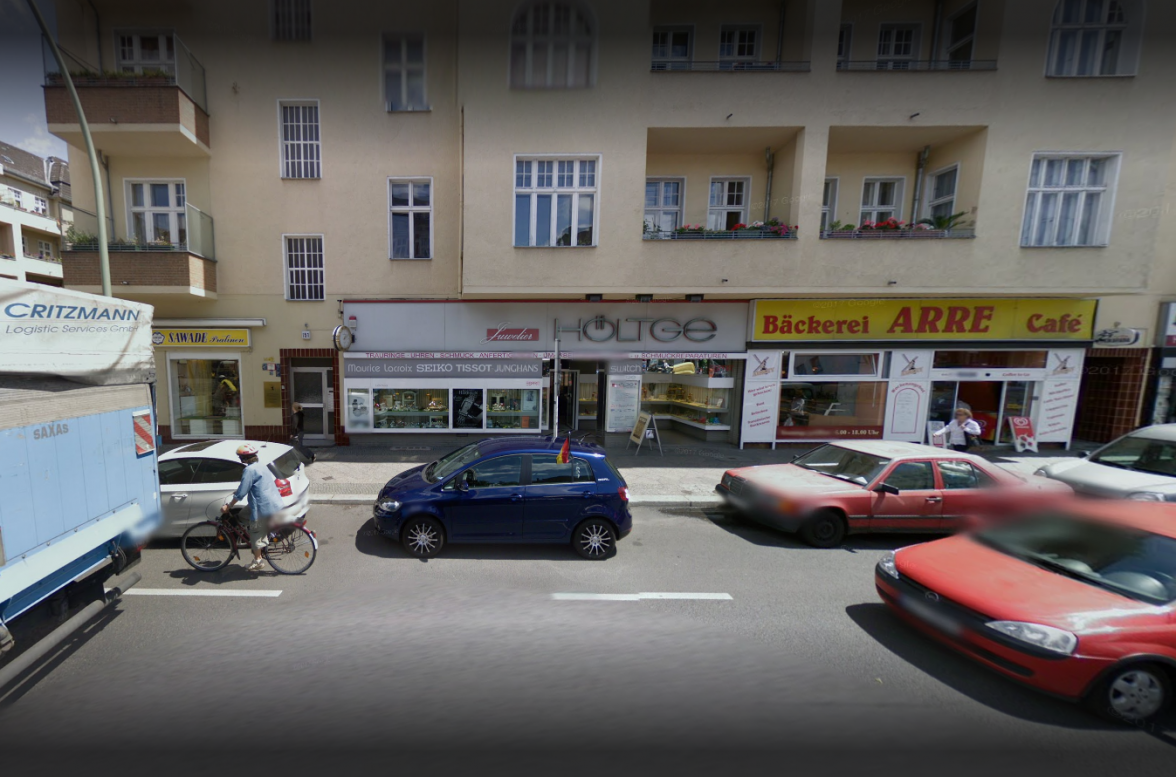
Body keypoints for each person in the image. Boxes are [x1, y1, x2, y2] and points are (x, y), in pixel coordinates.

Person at [222, 443, 285, 572]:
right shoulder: (261, 466)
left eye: (240, 457)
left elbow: (242, 492)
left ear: (244, 458)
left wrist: (229, 505)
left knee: (255, 530)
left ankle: (258, 560)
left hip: (262, 508)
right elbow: (251, 485)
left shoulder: (249, 470)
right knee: (241, 516)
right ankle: (260, 539)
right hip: (274, 503)